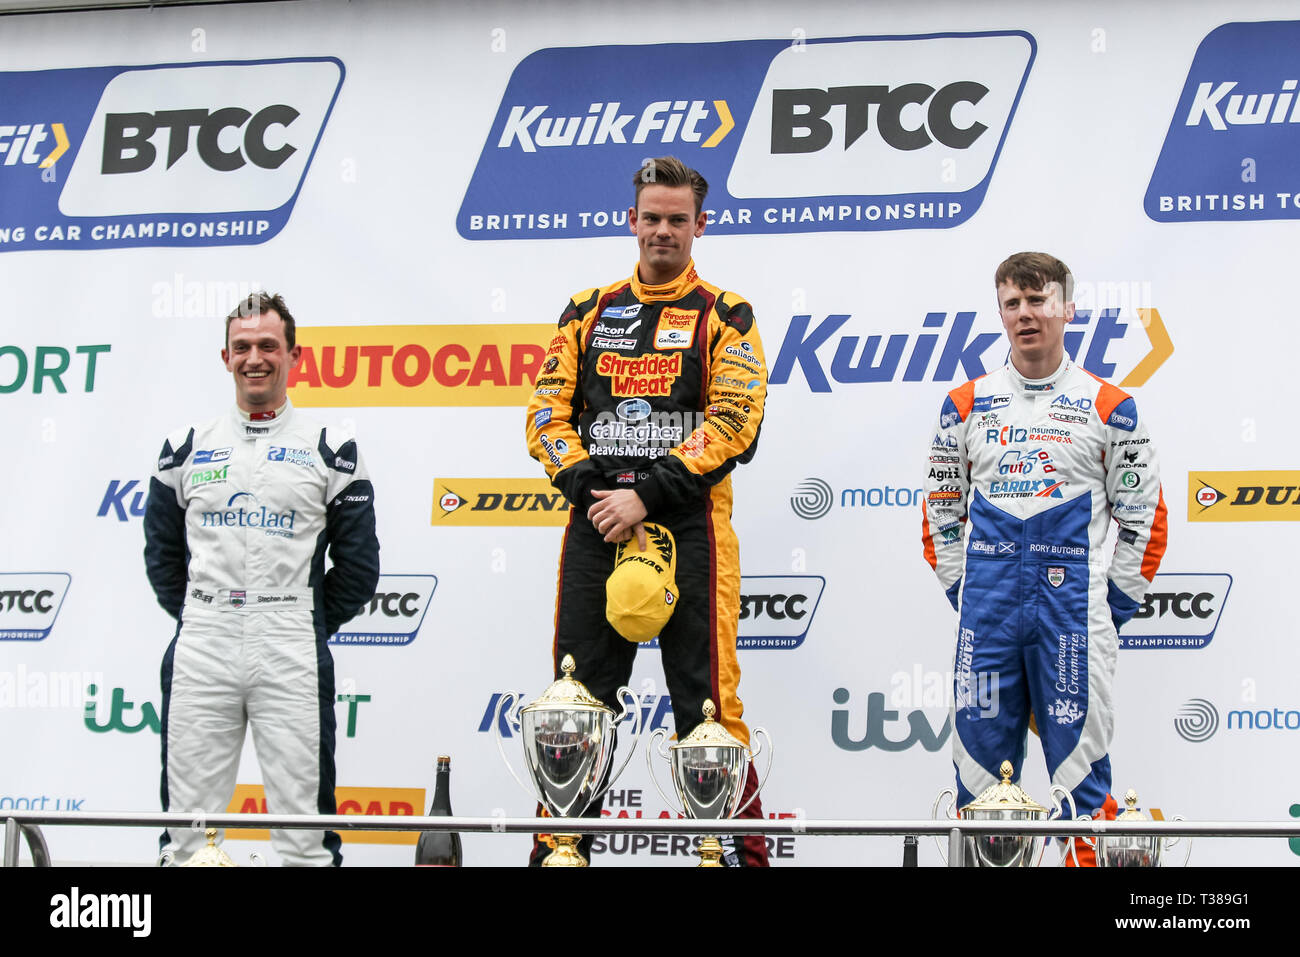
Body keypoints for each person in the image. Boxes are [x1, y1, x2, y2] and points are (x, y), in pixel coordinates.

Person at [524, 156, 769, 866]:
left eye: (677, 219)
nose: (663, 230)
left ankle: (728, 855)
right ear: (630, 220)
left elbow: (735, 421)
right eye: (651, 217)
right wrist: (592, 491)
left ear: (700, 224)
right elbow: (544, 414)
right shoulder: (586, 310)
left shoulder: (727, 314)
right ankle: (561, 851)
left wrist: (647, 494)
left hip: (689, 526)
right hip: (597, 522)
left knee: (708, 703)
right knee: (577, 698)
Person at [921, 252, 1167, 865]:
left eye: (1039, 301)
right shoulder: (965, 404)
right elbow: (940, 512)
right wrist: (969, 594)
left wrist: (1107, 607)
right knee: (979, 784)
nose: (1026, 315)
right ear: (1001, 312)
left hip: (1072, 620)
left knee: (1081, 782)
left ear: (1067, 308)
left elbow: (1144, 517)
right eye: (1013, 303)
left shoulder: (1111, 406)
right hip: (989, 620)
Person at [144, 292, 379, 866]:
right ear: (224, 357)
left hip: (289, 639)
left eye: (268, 346)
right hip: (204, 637)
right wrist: (208, 613)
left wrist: (302, 618)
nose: (255, 358)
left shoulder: (332, 448)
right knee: (187, 839)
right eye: (242, 346)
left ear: (294, 355)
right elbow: (162, 556)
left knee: (305, 840)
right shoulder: (185, 447)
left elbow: (358, 566)